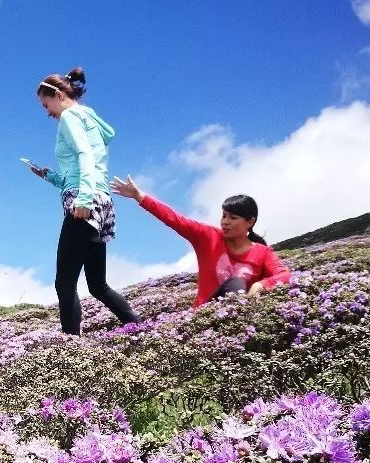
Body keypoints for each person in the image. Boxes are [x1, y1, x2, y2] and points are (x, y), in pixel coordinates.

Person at [28, 67, 141, 335]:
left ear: (57, 94)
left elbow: (83, 155)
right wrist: (50, 177)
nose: (48, 112)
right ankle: (140, 327)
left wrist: (84, 197)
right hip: (101, 202)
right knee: (97, 285)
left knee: (64, 283)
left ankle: (71, 349)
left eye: (46, 105)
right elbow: (79, 168)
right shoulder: (89, 119)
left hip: (85, 200)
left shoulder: (70, 117)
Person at [110, 176, 291, 306]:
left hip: (242, 315)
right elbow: (175, 219)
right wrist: (139, 196)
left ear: (250, 222)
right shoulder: (208, 236)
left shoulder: (262, 252)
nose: (225, 221)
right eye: (224, 216)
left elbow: (284, 275)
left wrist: (262, 284)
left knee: (238, 284)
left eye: (233, 217)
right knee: (236, 283)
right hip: (207, 314)